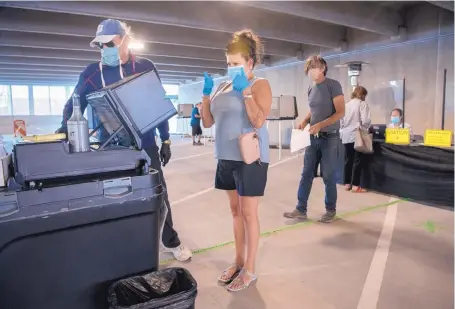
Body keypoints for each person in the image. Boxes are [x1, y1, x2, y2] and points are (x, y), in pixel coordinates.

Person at [55, 19, 192, 262]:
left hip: (146, 145)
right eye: (100, 45)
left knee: (158, 193)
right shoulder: (91, 73)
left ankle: (169, 240)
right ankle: (120, 243)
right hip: (112, 149)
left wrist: (167, 139)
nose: (104, 49)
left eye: (110, 43)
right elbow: (74, 103)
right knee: (115, 197)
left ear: (125, 40)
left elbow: (157, 103)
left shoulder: (144, 66)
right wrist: (64, 129)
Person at [200, 29, 272, 292]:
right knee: (235, 212)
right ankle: (238, 261)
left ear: (249, 63)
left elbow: (258, 120)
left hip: (249, 158)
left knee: (249, 213)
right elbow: (208, 122)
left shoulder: (259, 84)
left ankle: (250, 269)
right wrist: (207, 95)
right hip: (226, 158)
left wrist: (246, 93)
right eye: (228, 63)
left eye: (236, 64)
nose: (231, 68)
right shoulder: (221, 86)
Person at [283, 55, 345, 223]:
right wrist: (305, 121)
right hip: (312, 138)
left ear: (323, 68)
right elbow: (313, 110)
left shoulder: (333, 85)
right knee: (306, 174)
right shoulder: (311, 89)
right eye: (309, 68)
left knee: (328, 175)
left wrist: (321, 125)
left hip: (330, 138)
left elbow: (340, 112)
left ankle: (330, 211)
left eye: (314, 67)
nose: (312, 71)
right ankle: (301, 209)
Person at [340, 86, 371, 193]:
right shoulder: (362, 104)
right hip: (357, 135)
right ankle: (356, 186)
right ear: (362, 94)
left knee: (348, 160)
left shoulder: (346, 105)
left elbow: (341, 122)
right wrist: (364, 127)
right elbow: (366, 120)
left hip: (346, 135)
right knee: (357, 160)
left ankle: (347, 184)